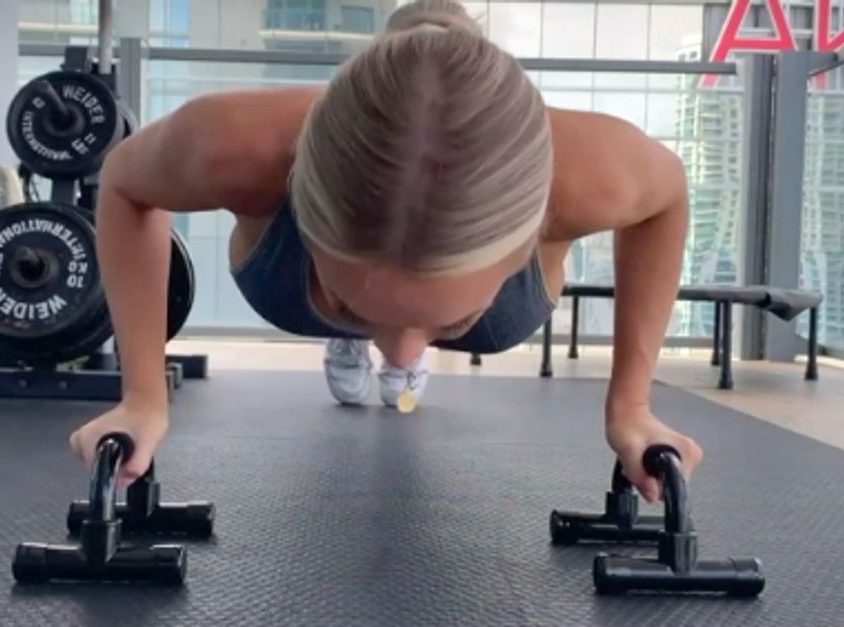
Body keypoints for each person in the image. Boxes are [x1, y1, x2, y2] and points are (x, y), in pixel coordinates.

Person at [69, 0, 702, 504]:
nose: (398, 354)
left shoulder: (588, 173)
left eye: (446, 319)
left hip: (465, 291)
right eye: (350, 302)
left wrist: (633, 408)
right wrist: (143, 397)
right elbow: (125, 181)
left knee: (398, 323)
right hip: (291, 285)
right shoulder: (241, 146)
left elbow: (667, 198)